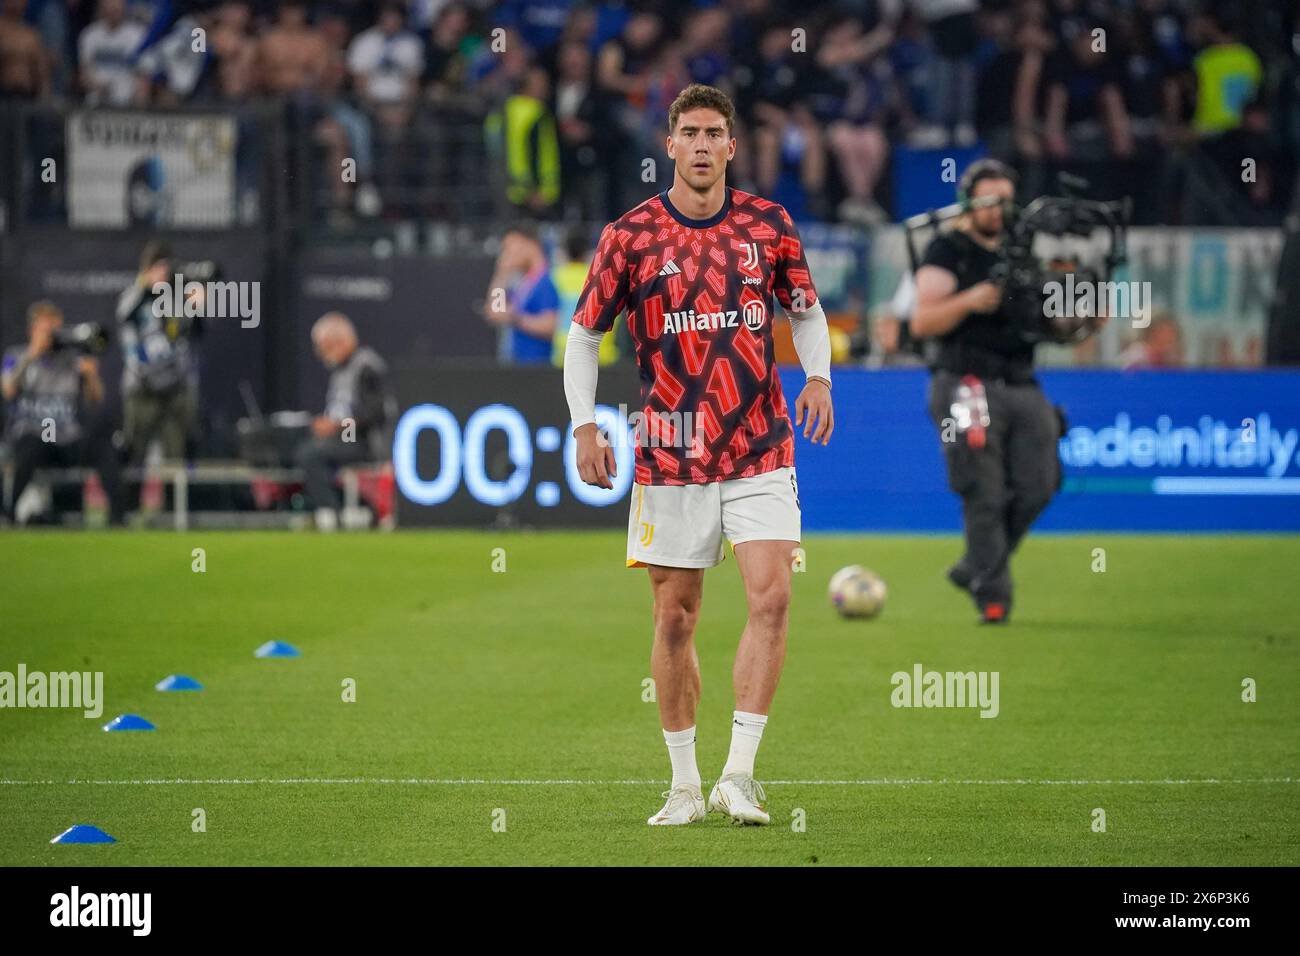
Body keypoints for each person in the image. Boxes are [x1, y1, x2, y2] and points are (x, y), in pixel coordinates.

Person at [563, 84, 834, 827]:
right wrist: (584, 426)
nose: (705, 144)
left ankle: (738, 776)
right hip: (671, 451)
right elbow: (585, 336)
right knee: (676, 618)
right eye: (692, 132)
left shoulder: (769, 227)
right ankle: (684, 784)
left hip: (758, 444)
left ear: (732, 146)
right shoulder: (631, 235)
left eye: (717, 132)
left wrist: (819, 377)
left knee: (772, 595)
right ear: (671, 146)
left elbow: (806, 315)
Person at [911, 158, 1062, 624]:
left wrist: (1083, 316)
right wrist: (969, 300)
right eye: (988, 200)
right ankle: (993, 596)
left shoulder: (1023, 251)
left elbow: (1048, 323)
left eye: (1005, 201)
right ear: (969, 202)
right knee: (984, 491)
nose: (998, 211)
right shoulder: (946, 249)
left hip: (1021, 379)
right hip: (965, 381)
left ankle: (978, 564)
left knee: (1041, 484)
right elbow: (922, 321)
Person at [2, 301, 124, 526]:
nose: (53, 337)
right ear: (33, 331)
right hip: (35, 435)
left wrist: (91, 376)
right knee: (28, 446)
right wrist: (31, 355)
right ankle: (9, 514)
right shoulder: (16, 356)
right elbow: (8, 391)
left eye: (56, 330)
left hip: (67, 438)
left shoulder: (72, 360)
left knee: (104, 447)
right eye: (47, 331)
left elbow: (96, 399)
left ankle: (118, 517)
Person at [298, 312, 393, 531]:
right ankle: (329, 508)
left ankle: (330, 512)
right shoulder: (341, 369)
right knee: (304, 445)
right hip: (343, 437)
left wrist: (337, 426)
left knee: (310, 454)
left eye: (324, 347)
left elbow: (375, 413)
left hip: (366, 440)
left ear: (340, 342)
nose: (321, 354)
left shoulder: (367, 367)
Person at [115, 241, 199, 464]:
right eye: (157, 267)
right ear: (147, 269)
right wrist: (145, 287)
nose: (163, 273)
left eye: (166, 267)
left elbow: (193, 333)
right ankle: (130, 500)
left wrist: (197, 307)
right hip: (141, 388)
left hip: (174, 390)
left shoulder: (177, 297)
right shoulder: (132, 296)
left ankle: (174, 500)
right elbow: (125, 318)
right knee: (135, 455)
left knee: (175, 456)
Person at [484, 222, 559, 365]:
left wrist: (515, 319)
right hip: (519, 366)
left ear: (530, 244)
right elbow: (496, 311)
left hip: (538, 367)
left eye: (510, 248)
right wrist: (502, 274)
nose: (507, 254)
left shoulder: (546, 281)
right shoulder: (523, 283)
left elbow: (551, 325)